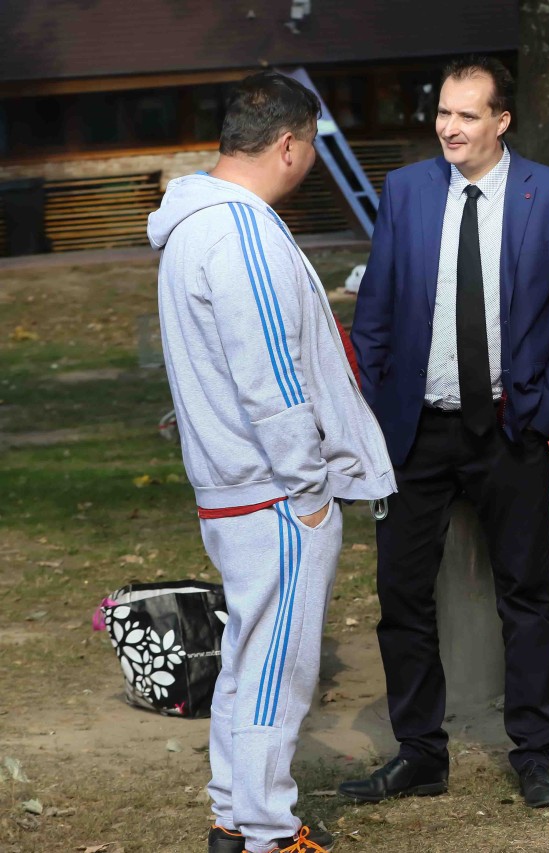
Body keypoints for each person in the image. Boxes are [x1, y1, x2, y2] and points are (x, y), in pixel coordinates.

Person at [147, 71, 396, 853]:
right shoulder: (241, 232)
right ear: (288, 145)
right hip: (271, 490)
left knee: (249, 657)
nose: (313, 159)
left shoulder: (193, 225)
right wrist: (309, 487)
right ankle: (267, 831)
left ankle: (235, 816)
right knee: (276, 671)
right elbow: (272, 378)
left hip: (234, 484)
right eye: (314, 145)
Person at [343, 56, 549, 808]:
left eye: (466, 114)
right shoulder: (406, 191)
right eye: (443, 113)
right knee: (401, 597)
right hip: (415, 431)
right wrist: (377, 406)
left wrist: (545, 411)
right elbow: (376, 310)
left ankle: (534, 753)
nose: (449, 128)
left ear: (501, 120)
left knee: (527, 595)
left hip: (509, 430)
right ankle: (420, 753)